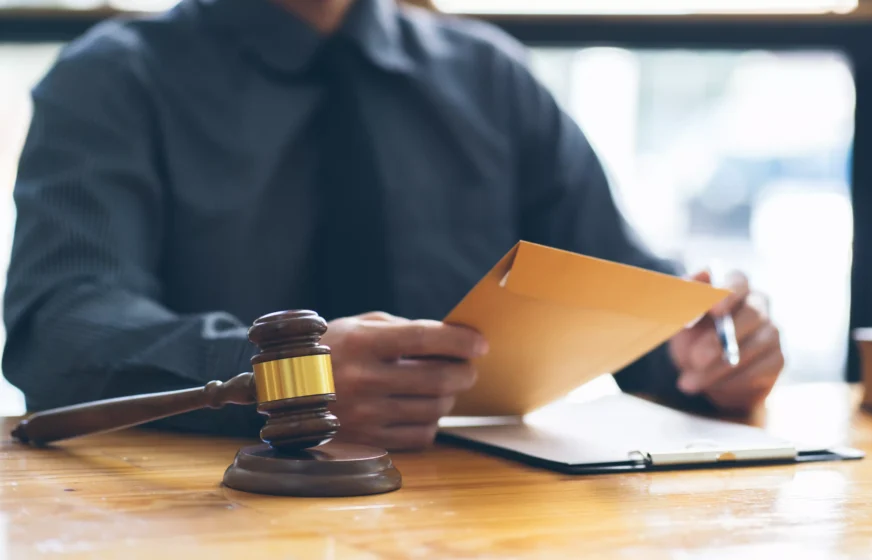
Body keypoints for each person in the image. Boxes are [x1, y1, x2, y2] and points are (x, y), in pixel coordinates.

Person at [4, 0, 784, 450]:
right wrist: (287, 379)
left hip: (480, 517)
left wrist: (709, 348)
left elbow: (628, 304)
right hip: (204, 521)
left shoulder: (491, 78)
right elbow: (61, 329)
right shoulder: (111, 79)